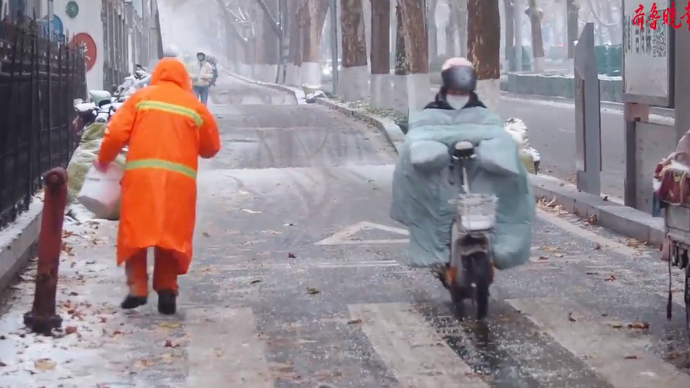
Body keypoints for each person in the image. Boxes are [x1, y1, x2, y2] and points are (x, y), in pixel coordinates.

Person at [94, 57, 221, 315]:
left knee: (135, 235)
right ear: (184, 79)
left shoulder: (141, 99)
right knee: (169, 237)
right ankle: (166, 290)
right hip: (179, 184)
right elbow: (211, 147)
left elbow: (116, 132)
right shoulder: (193, 106)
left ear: (157, 75)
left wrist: (103, 160)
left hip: (141, 180)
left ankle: (137, 289)